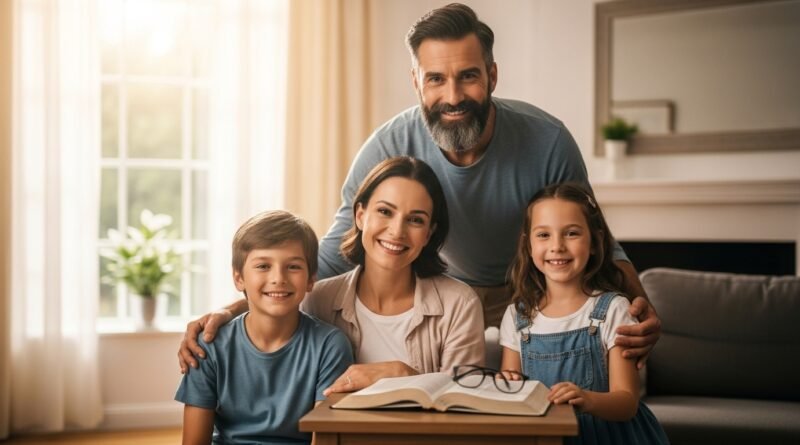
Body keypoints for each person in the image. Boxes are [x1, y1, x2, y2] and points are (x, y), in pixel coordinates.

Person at [178, 3, 659, 373]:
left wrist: (638, 306)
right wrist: (232, 309)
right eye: (436, 79)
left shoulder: (547, 139)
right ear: (416, 82)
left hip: (530, 286)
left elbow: (593, 234)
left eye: (468, 76)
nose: (452, 96)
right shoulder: (389, 144)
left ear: (492, 75)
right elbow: (337, 248)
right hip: (444, 288)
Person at [498, 182, 669, 444]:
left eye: (572, 233)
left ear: (594, 241)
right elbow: (513, 391)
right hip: (545, 438)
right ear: (528, 244)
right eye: (543, 235)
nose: (557, 246)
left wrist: (588, 399)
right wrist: (506, 383)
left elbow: (627, 402)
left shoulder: (614, 309)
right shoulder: (516, 316)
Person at [174, 210, 353, 444]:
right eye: (263, 266)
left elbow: (325, 437)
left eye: (293, 267)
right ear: (239, 278)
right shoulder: (209, 345)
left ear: (311, 280)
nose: (278, 278)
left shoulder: (330, 345)